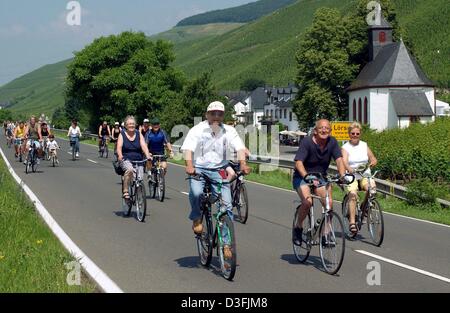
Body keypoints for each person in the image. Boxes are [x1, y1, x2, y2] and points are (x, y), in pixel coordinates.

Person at [181, 101, 251, 259]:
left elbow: (239, 148)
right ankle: (197, 217)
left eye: (220, 114)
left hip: (219, 169)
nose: (216, 117)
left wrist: (243, 164)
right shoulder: (198, 129)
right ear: (207, 115)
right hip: (199, 168)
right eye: (213, 113)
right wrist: (190, 166)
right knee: (197, 192)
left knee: (226, 206)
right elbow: (188, 149)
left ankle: (226, 244)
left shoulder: (229, 130)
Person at [292, 119, 346, 246]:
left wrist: (343, 176)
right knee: (307, 202)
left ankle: (325, 234)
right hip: (302, 176)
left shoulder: (332, 142)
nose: (324, 130)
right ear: (315, 131)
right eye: (321, 128)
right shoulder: (307, 142)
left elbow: (339, 160)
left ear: (330, 131)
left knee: (329, 204)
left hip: (320, 177)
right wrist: (306, 176)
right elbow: (298, 162)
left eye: (327, 128)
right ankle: (298, 228)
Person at [341, 122, 378, 235]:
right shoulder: (345, 147)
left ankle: (364, 206)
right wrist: (349, 169)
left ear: (360, 134)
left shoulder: (364, 145)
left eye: (357, 133)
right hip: (351, 175)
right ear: (349, 134)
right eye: (353, 133)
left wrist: (372, 162)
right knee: (352, 194)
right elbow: (344, 161)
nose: (355, 135)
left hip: (364, 174)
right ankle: (352, 222)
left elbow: (373, 158)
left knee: (372, 189)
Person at [116, 116, 152, 201]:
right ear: (125, 125)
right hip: (126, 159)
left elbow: (143, 145)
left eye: (132, 124)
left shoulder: (138, 134)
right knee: (130, 170)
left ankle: (138, 196)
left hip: (138, 160)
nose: (131, 125)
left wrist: (147, 155)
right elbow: (119, 147)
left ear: (135, 125)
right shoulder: (122, 134)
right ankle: (125, 191)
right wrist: (120, 155)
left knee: (139, 179)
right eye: (129, 124)